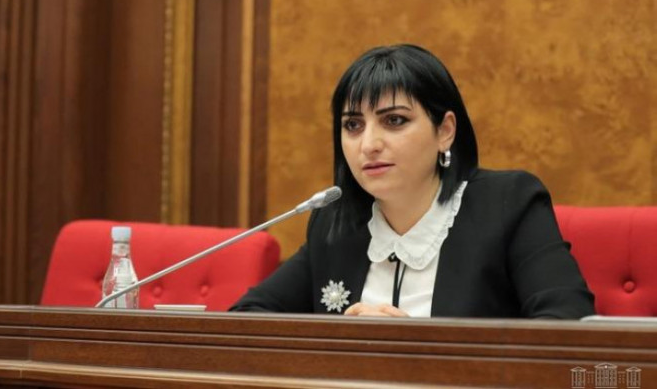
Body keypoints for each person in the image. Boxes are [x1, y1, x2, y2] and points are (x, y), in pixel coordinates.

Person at [231, 44, 595, 318]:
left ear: (445, 131)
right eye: (353, 125)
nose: (368, 145)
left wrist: (416, 350)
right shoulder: (335, 224)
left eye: (394, 121)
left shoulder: (507, 205)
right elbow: (246, 321)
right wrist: (340, 342)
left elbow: (567, 324)